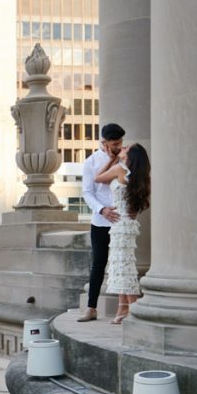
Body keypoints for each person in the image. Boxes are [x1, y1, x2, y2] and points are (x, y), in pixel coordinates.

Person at [94, 143, 152, 323]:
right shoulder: (140, 176)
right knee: (122, 265)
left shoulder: (120, 168)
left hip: (120, 223)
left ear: (131, 154)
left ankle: (133, 308)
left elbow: (98, 178)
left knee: (123, 267)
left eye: (127, 147)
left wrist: (112, 158)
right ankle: (123, 308)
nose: (123, 146)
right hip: (128, 222)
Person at [79, 123, 125, 321]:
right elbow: (87, 193)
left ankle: (124, 309)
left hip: (122, 220)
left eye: (120, 142)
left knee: (123, 263)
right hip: (100, 221)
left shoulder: (126, 158)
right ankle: (91, 308)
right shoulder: (91, 162)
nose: (118, 146)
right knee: (98, 263)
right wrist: (102, 210)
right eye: (114, 143)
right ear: (104, 142)